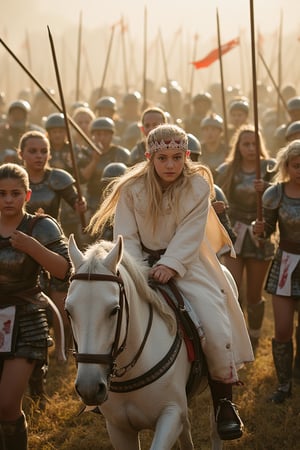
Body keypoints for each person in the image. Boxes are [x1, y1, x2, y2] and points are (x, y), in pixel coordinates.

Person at [88, 123, 254, 441]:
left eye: (177, 157)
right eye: (162, 158)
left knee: (216, 327)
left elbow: (191, 234)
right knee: (109, 312)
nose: (170, 165)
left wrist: (171, 265)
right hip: (137, 264)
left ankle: (223, 402)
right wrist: (137, 270)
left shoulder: (198, 186)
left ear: (186, 156)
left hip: (189, 263)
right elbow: (126, 235)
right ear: (150, 157)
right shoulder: (131, 189)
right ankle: (106, 385)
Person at [0, 163, 71, 449]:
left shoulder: (40, 225)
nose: (8, 200)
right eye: (1, 193)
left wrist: (32, 247)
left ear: (27, 195)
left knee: (6, 406)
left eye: (15, 193)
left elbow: (64, 270)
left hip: (27, 319)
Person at [215, 125, 276, 353]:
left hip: (260, 232)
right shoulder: (228, 170)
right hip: (234, 232)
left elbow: (287, 192)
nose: (251, 148)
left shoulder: (269, 169)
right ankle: (236, 336)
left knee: (253, 294)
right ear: (238, 147)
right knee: (233, 289)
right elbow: (218, 198)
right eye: (246, 144)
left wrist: (268, 188)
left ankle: (254, 336)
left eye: (254, 144)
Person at [253, 140, 300, 403]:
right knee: (282, 330)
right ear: (287, 166)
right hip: (285, 264)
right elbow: (266, 233)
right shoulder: (276, 193)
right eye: (296, 166)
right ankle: (284, 386)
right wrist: (257, 230)